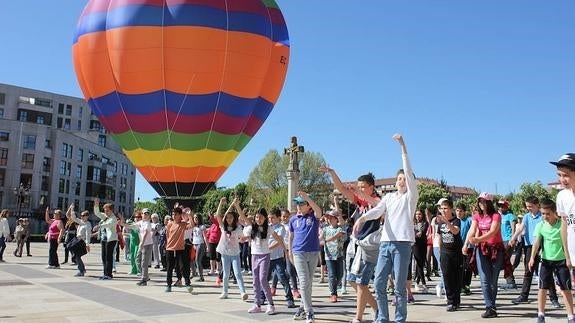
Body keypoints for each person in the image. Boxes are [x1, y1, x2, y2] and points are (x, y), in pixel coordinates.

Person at [353, 133, 418, 323]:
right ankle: (382, 318)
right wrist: (361, 219)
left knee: (398, 286)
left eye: (404, 178)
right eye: (399, 178)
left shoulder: (410, 198)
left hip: (402, 244)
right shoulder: (389, 198)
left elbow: (408, 168)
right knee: (379, 283)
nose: (401, 181)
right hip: (385, 244)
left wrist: (402, 146)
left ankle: (399, 319)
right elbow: (376, 210)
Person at [318, 166, 381, 323]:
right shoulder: (359, 199)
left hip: (369, 245)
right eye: (359, 186)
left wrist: (358, 192)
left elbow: (377, 206)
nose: (360, 189)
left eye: (363, 187)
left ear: (372, 186)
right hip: (356, 243)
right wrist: (332, 172)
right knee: (353, 280)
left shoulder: (378, 199)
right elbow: (340, 188)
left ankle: (358, 318)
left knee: (361, 282)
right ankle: (377, 308)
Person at [529, 199, 574, 323]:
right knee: (542, 288)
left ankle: (570, 316)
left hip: (561, 261)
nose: (545, 216)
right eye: (543, 213)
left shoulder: (562, 225)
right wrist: (532, 257)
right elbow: (536, 243)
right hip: (546, 262)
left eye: (548, 214)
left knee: (565, 289)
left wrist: (569, 259)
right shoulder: (540, 225)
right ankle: (541, 315)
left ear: (555, 212)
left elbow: (567, 243)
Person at [510, 196, 560, 307]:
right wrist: (513, 237)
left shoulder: (543, 216)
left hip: (542, 246)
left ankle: (553, 298)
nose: (529, 208)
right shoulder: (527, 217)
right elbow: (520, 228)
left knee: (547, 273)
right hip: (529, 247)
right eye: (527, 206)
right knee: (528, 271)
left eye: (531, 206)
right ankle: (524, 295)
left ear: (538, 205)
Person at [462, 192, 503, 319]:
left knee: (493, 281)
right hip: (482, 250)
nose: (482, 204)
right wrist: (466, 244)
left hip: (496, 249)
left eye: (484, 201)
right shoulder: (476, 216)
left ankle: (492, 305)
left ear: (489, 202)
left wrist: (478, 239)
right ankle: (489, 307)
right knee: (484, 280)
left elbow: (493, 231)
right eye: (480, 201)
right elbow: (472, 230)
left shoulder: (496, 216)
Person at [289, 192, 322, 323]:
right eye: (297, 203)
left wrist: (307, 197)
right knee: (303, 281)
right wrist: (289, 252)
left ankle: (303, 306)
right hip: (298, 253)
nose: (298, 206)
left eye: (301, 203)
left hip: (313, 252)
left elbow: (319, 211)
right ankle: (309, 312)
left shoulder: (313, 216)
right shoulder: (293, 219)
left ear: (308, 205)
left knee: (308, 282)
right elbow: (291, 237)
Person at [244, 207, 285, 315]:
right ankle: (257, 305)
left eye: (261, 217)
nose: (258, 219)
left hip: (265, 256)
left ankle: (271, 305)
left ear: (265, 218)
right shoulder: (252, 228)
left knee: (263, 279)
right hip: (254, 256)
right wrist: (237, 206)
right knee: (255, 281)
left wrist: (285, 250)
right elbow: (243, 218)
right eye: (257, 217)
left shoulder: (269, 228)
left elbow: (279, 239)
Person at [215, 197, 249, 300]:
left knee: (238, 273)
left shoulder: (238, 228)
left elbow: (243, 236)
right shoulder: (223, 227)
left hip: (235, 254)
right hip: (225, 254)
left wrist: (244, 238)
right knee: (225, 274)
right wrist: (221, 203)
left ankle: (243, 292)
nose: (229, 219)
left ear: (234, 219)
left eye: (231, 217)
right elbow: (218, 215)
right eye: (227, 217)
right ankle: (225, 292)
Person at [551, 154, 575, 281]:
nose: (562, 179)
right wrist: (567, 255)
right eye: (559, 175)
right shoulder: (562, 196)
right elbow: (564, 226)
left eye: (566, 175)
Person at [436, 198, 463, 312]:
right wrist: (439, 250)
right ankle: (451, 301)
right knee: (446, 277)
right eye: (441, 208)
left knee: (456, 278)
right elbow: (439, 235)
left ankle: (456, 301)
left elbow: (455, 231)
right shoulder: (440, 223)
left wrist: (447, 222)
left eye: (445, 208)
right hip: (445, 253)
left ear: (451, 209)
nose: (443, 211)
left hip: (456, 253)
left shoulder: (456, 220)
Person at [268, 207, 296, 308]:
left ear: (278, 218)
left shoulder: (281, 228)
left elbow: (279, 241)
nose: (271, 220)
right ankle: (262, 297)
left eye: (273, 218)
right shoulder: (267, 226)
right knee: (265, 279)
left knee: (283, 278)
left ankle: (290, 299)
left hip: (278, 257)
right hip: (268, 257)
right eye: (269, 218)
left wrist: (268, 248)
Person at [164, 206, 194, 293]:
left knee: (183, 267)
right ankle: (169, 285)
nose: (174, 216)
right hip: (170, 248)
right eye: (173, 214)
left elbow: (192, 225)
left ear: (180, 215)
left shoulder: (183, 224)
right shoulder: (170, 224)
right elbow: (167, 235)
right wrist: (168, 244)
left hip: (180, 249)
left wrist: (190, 216)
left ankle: (188, 284)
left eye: (176, 214)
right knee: (169, 268)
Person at [122, 210, 153, 286]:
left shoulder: (148, 223)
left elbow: (146, 233)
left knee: (144, 263)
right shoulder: (140, 223)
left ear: (149, 215)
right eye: (143, 213)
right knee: (137, 259)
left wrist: (142, 242)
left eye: (146, 214)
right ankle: (145, 276)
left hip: (147, 244)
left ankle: (143, 279)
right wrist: (122, 224)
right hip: (142, 244)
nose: (144, 215)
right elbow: (131, 226)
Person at [321, 210, 346, 303]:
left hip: (339, 255)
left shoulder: (340, 229)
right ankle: (333, 294)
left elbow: (338, 236)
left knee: (340, 275)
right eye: (328, 218)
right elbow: (320, 237)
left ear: (336, 219)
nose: (329, 219)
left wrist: (326, 240)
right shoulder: (325, 229)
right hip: (329, 256)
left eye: (331, 217)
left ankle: (335, 286)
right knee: (332, 275)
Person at [93, 198, 118, 280]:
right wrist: (96, 205)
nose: (106, 212)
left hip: (111, 240)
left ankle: (109, 274)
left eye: (107, 210)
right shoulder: (105, 216)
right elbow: (97, 213)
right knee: (104, 257)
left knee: (108, 257)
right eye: (105, 210)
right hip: (104, 239)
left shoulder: (113, 218)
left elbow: (108, 224)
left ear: (111, 210)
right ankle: (105, 273)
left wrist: (98, 226)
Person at [69, 204, 92, 277]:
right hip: (77, 240)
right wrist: (72, 209)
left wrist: (87, 244)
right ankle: (82, 269)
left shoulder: (87, 224)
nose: (81, 216)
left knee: (77, 256)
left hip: (81, 242)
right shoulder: (81, 222)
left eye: (83, 215)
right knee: (72, 251)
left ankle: (81, 270)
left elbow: (88, 235)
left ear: (87, 216)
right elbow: (74, 218)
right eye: (81, 215)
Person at [498, 199, 517, 289]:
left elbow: (513, 228)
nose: (501, 207)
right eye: (499, 206)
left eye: (503, 206)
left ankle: (510, 281)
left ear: (507, 207)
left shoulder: (510, 216)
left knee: (504, 260)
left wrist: (513, 239)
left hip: (508, 240)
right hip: (500, 240)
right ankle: (510, 280)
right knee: (505, 261)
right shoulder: (498, 216)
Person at [455, 202, 473, 296]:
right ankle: (461, 286)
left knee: (468, 267)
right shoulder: (454, 221)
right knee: (460, 267)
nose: (458, 213)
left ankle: (467, 285)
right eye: (457, 210)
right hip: (458, 248)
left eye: (461, 211)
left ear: (464, 212)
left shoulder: (468, 220)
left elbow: (473, 231)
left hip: (469, 247)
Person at [413, 209, 429, 293]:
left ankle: (417, 282)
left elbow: (423, 231)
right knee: (419, 263)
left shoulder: (425, 223)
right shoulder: (413, 223)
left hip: (423, 245)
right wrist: (417, 233)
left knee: (421, 264)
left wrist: (419, 233)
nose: (418, 216)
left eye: (419, 214)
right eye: (416, 214)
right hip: (415, 245)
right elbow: (414, 233)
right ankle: (424, 284)